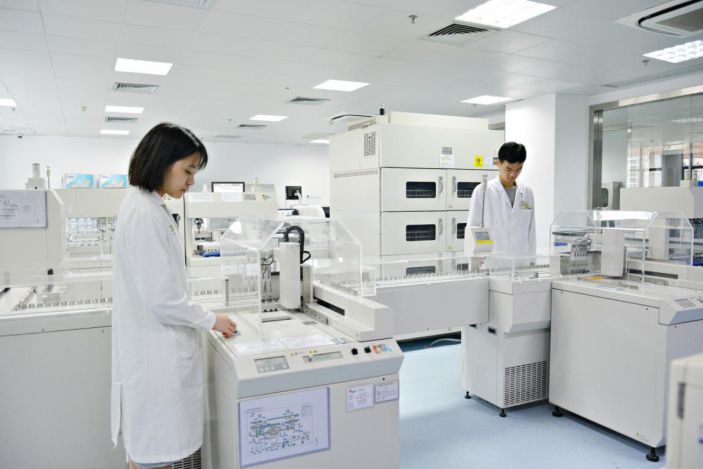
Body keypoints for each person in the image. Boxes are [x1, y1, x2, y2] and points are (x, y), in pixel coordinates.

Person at [111, 123, 237, 469]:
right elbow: (162, 299)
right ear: (162, 162)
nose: (192, 181)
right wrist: (212, 320)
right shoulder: (145, 213)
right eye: (188, 170)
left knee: (152, 456)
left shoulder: (146, 205)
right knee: (154, 455)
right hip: (156, 358)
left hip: (153, 352)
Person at [466, 141, 536, 259]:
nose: (513, 174)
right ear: (498, 164)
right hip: (493, 261)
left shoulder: (527, 192)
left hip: (521, 261)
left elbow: (531, 230)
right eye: (508, 169)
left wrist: (532, 261)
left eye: (518, 169)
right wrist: (475, 261)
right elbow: (472, 228)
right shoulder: (483, 191)